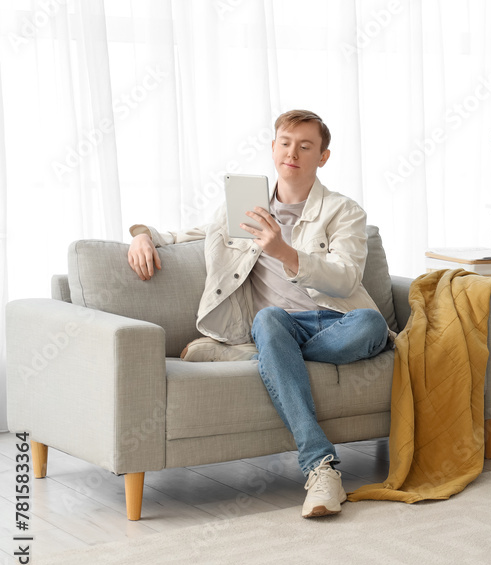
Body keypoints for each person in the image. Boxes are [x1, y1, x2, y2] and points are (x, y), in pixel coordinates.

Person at [127, 110, 389, 519]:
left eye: (306, 146)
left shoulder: (344, 211)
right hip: (281, 326)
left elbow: (346, 278)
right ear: (273, 149)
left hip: (339, 323)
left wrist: (283, 250)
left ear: (323, 157)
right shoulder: (245, 209)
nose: (293, 153)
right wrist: (143, 236)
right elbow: (189, 234)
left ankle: (258, 356)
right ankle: (321, 468)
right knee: (267, 320)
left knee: (374, 325)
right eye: (285, 142)